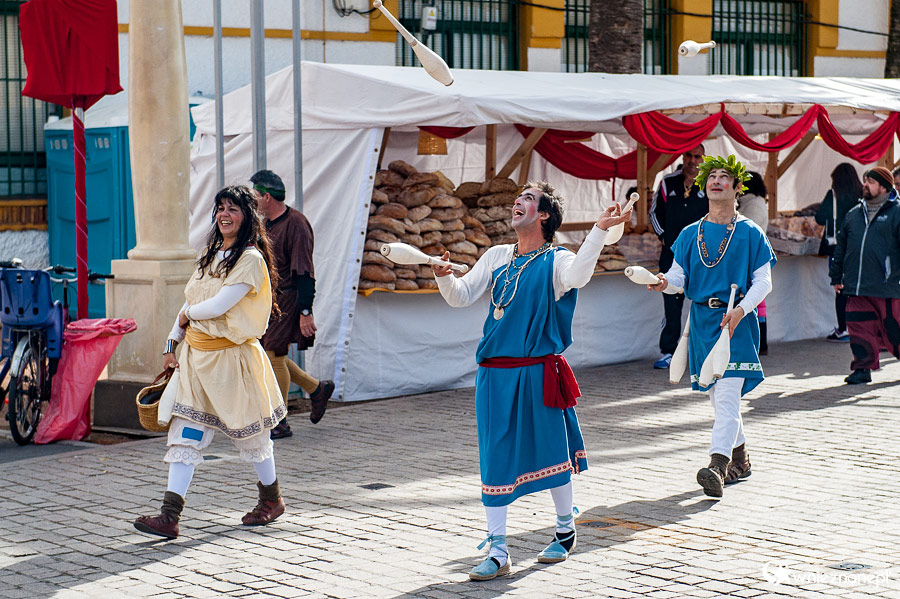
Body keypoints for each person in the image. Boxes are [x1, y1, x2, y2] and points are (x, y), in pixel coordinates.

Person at [432, 182, 631, 581]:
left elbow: (578, 276)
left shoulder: (557, 260)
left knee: (552, 451)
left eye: (526, 199)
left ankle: (564, 530)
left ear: (543, 215)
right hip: (493, 374)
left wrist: (598, 232)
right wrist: (443, 277)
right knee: (494, 458)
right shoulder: (496, 256)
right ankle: (499, 549)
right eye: (517, 198)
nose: (516, 203)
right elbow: (462, 295)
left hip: (538, 370)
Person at [134, 186, 287, 539]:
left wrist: (188, 317)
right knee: (184, 436)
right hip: (196, 361)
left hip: (233, 361)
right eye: (220, 208)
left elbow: (218, 306)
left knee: (253, 437)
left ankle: (272, 500)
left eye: (233, 209)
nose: (224, 215)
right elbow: (190, 300)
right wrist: (172, 341)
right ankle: (169, 516)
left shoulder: (251, 259)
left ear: (247, 216)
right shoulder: (211, 253)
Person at [648, 155, 776, 498]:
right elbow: (679, 277)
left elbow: (763, 283)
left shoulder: (751, 233)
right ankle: (741, 458)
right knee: (720, 400)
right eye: (712, 177)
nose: (716, 180)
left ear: (737, 189)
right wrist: (664, 283)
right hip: (702, 323)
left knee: (728, 396)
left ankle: (717, 466)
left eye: (724, 177)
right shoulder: (691, 234)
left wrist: (741, 311)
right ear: (705, 188)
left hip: (735, 323)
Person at [250, 170, 334, 439]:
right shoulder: (265, 224)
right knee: (270, 353)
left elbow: (305, 272)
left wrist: (305, 311)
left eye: (254, 195)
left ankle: (280, 419)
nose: (253, 201)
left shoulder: (296, 223)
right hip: (269, 300)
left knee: (274, 353)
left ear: (266, 197)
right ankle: (317, 389)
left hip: (289, 297)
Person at [829, 166, 900, 385]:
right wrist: (836, 276)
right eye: (865, 180)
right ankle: (862, 369)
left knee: (894, 331)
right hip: (856, 286)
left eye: (870, 181)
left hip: (887, 286)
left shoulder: (897, 212)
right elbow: (841, 247)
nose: (865, 185)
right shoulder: (854, 214)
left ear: (884, 186)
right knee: (859, 328)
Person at [650, 144, 708, 369]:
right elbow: (655, 212)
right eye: (689, 155)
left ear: (703, 158)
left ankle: (701, 352)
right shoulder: (668, 182)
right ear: (683, 156)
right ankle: (668, 352)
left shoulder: (708, 182)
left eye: (697, 156)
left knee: (703, 303)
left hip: (701, 256)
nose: (693, 160)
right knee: (671, 304)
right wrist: (663, 236)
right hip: (672, 254)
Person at [815, 163, 863, 343]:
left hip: (837, 247)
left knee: (840, 287)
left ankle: (843, 329)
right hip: (859, 247)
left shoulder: (833, 196)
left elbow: (820, 217)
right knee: (858, 289)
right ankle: (860, 327)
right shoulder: (861, 195)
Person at [736, 171, 770, 354]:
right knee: (757, 302)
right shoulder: (754, 202)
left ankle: (758, 343)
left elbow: (747, 233)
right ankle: (759, 343)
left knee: (752, 301)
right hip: (753, 257)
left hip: (750, 258)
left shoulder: (753, 204)